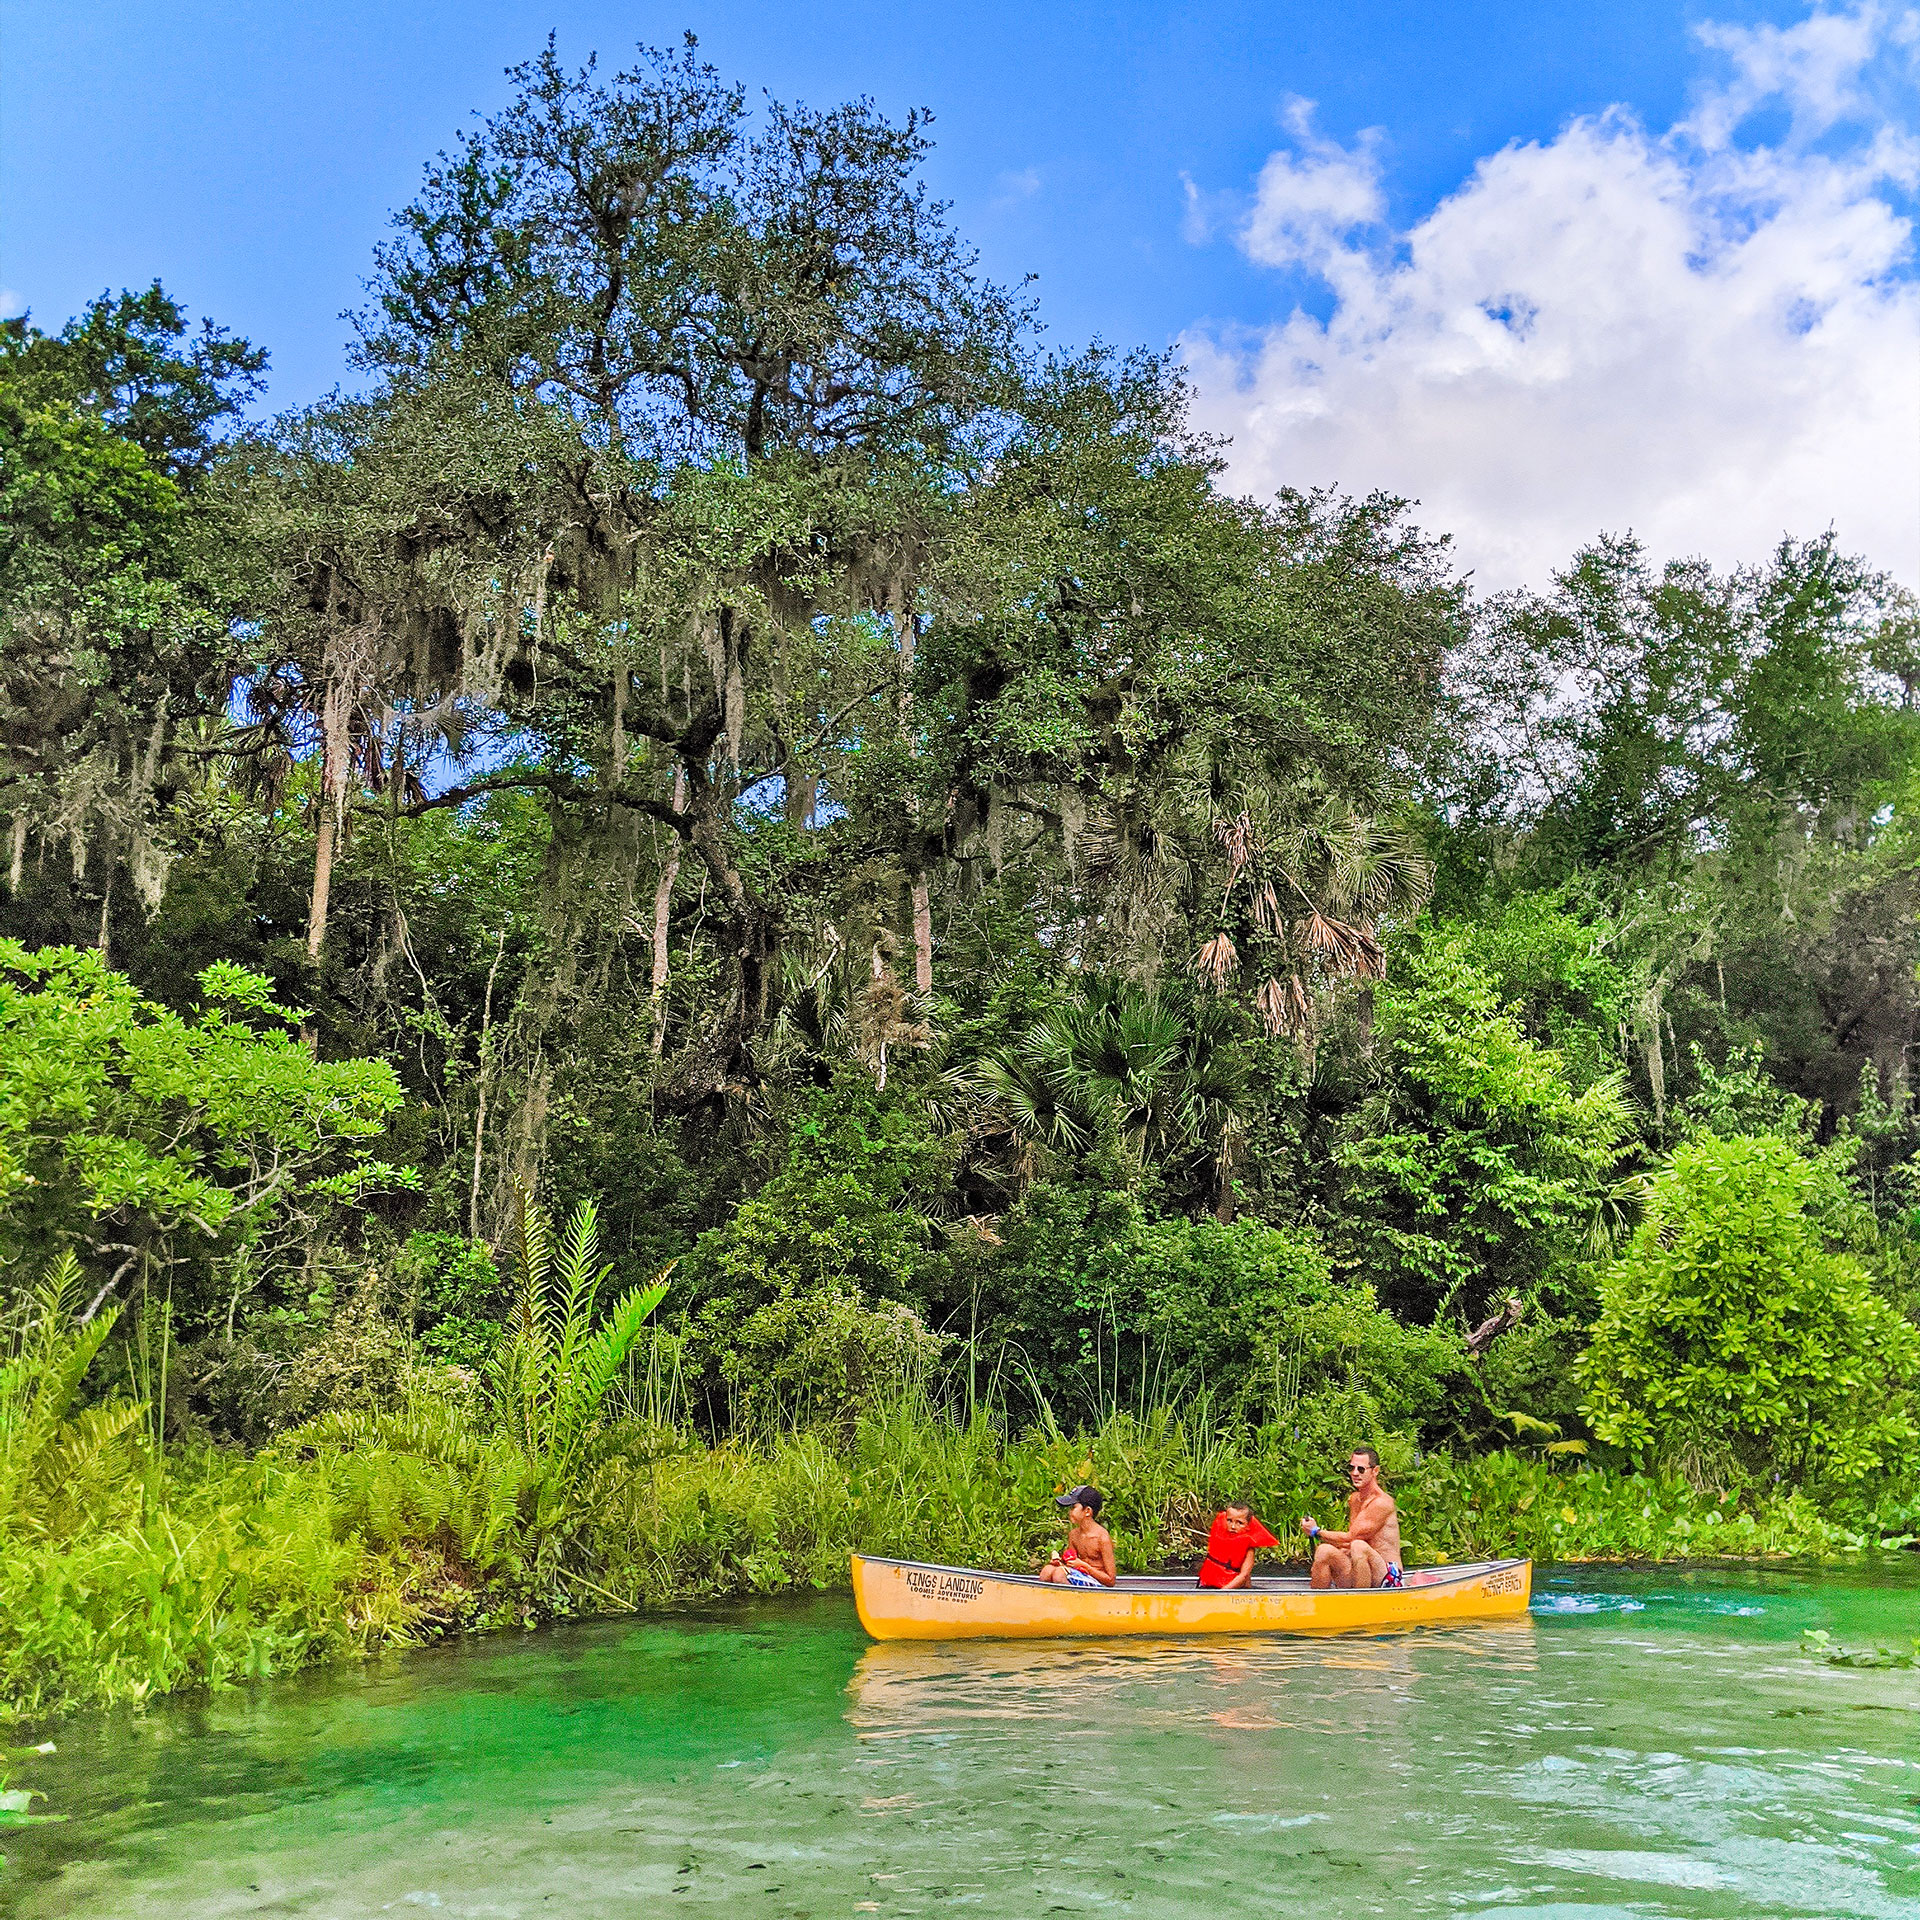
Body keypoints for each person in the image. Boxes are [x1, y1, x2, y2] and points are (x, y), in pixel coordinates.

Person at [1299, 1446, 1404, 1590]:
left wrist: (1316, 1531)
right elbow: (1351, 1540)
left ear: (1375, 1471)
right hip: (1362, 1568)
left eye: (1361, 1469)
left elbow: (1352, 1537)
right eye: (1351, 1468)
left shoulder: (1382, 1502)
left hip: (1387, 1575)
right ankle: (1316, 1601)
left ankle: (1360, 1601)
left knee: (1358, 1546)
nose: (1355, 1473)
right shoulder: (1354, 1499)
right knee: (1324, 1550)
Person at [1039, 1484, 1116, 1587]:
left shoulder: (1102, 1538)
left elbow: (1111, 1580)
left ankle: (1073, 1601)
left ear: (1087, 1511)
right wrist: (1059, 1562)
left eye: (1073, 1508)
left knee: (1059, 1574)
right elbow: (1070, 1564)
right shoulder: (1073, 1535)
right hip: (1079, 1576)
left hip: (1098, 1582)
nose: (1069, 1512)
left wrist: (1085, 1567)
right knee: (1047, 1571)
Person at [1196, 1501, 1278, 1589]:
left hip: (1232, 1589)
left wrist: (1222, 1592)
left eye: (1239, 1523)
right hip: (1208, 1585)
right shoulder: (1219, 1535)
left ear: (1248, 1525)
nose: (1233, 1526)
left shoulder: (1248, 1548)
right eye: (1229, 1521)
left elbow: (1244, 1576)